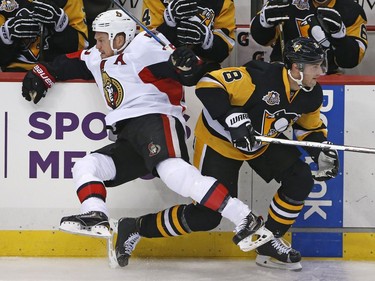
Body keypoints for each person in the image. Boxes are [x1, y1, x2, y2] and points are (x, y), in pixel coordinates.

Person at [21, 8, 273, 265]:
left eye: (101, 38)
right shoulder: (96, 55)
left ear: (120, 38)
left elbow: (187, 72)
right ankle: (95, 213)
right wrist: (41, 74)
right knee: (86, 165)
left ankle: (244, 217)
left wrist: (187, 64)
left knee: (173, 172)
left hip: (156, 119)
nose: (96, 44)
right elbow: (66, 63)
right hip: (128, 135)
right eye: (95, 38)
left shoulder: (144, 46)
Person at [114, 37, 340, 271]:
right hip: (219, 143)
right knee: (206, 216)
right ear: (296, 67)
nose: (320, 72)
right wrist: (231, 115)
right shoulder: (260, 77)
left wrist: (320, 151)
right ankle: (135, 227)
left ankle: (267, 241)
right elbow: (208, 83)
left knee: (300, 178)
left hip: (259, 143)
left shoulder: (311, 93)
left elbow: (309, 127)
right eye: (315, 66)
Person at [250, 0, 367, 74]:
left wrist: (340, 36)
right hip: (282, 73)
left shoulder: (351, 10)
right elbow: (263, 39)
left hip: (325, 75)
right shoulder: (286, 2)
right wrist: (263, 23)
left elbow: (350, 61)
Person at [142, 0, 236, 70]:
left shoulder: (223, 2)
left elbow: (224, 50)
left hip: (201, 74)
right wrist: (169, 23)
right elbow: (145, 45)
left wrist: (207, 39)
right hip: (162, 72)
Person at [0, 0, 88, 71]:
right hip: (13, 73)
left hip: (58, 71)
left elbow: (82, 48)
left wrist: (61, 26)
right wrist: (5, 37)